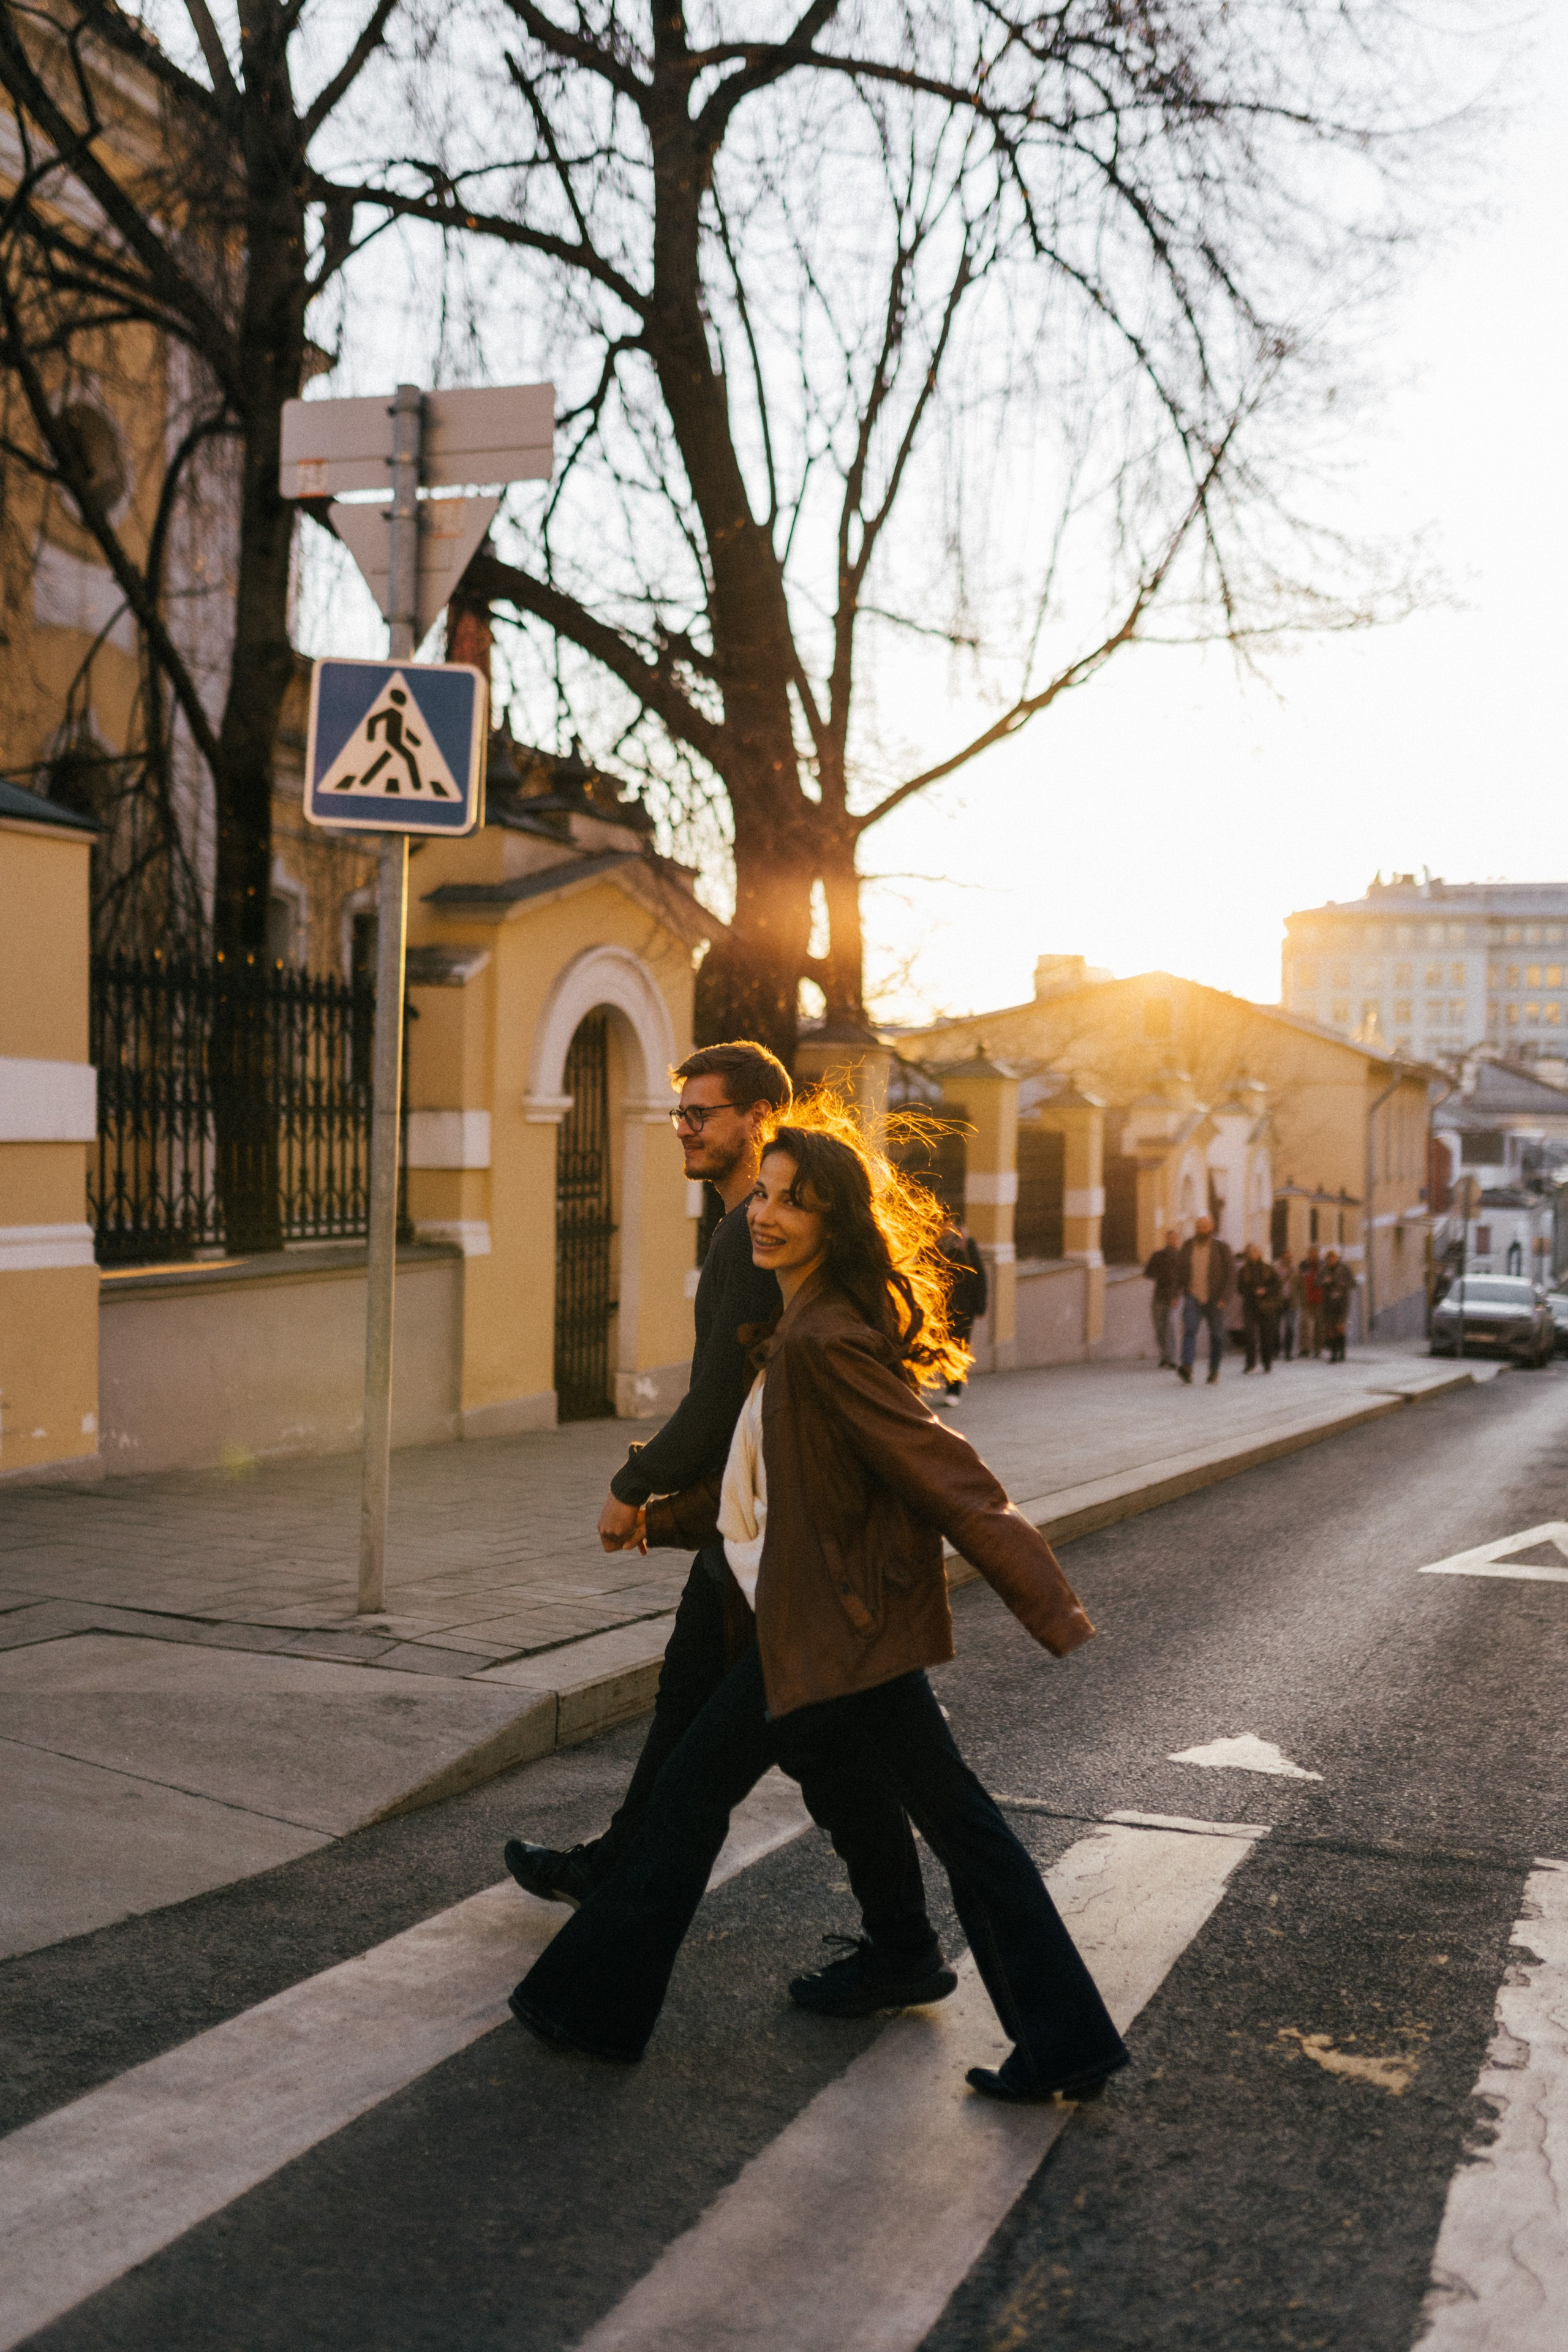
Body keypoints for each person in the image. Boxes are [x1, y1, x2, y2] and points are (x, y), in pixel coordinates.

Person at [509, 1112, 1129, 2106]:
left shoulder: (826, 1342)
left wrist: (1049, 1603)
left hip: (829, 1632)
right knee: (958, 1826)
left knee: (688, 1799)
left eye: (799, 1199)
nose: (770, 1213)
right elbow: (768, 1494)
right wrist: (658, 1522)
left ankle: (590, 2009)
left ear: (838, 1225)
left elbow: (949, 1476)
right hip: (831, 1627)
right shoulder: (794, 1334)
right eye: (768, 1191)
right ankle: (1059, 2034)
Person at [503, 1042, 951, 2017]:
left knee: (806, 1755)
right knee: (698, 1716)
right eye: (679, 1114)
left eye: (700, 1114)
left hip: (781, 1551)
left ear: (756, 1118)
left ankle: (898, 1945)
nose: (684, 1130)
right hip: (749, 1535)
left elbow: (719, 1402)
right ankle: (622, 1869)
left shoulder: (759, 1241)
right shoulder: (754, 1233)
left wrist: (637, 1482)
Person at [1175, 1215, 1235, 1385]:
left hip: (1215, 1298)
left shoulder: (1221, 1247)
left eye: (1204, 1226)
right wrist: (1177, 1292)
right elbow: (1180, 1270)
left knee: (1216, 1335)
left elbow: (1231, 1274)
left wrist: (1225, 1297)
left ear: (1211, 1227)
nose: (1201, 1229)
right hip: (1193, 1295)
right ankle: (1187, 1367)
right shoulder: (1188, 1246)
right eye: (1199, 1226)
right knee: (1190, 1330)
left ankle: (1214, 1370)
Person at [936, 1219, 987, 1403]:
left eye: (949, 1222)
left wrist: (980, 1306)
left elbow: (980, 1275)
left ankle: (954, 1390)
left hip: (965, 1308)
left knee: (959, 1347)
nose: (946, 1226)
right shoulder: (937, 1245)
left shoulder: (967, 1245)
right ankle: (949, 1382)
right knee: (942, 1348)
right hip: (942, 1309)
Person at [1237, 1243, 1283, 1373]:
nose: (1253, 1254)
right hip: (1250, 1307)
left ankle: (1267, 1363)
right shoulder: (1243, 1271)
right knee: (1250, 1337)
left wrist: (1266, 1290)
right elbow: (1240, 1288)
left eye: (1255, 1251)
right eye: (1250, 1252)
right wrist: (1252, 1292)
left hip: (1266, 1307)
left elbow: (1277, 1285)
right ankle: (1250, 1364)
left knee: (1267, 1336)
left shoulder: (1268, 1269)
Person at [1143, 1227, 1182, 1368]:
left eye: (1176, 1237)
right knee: (1160, 1327)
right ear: (1167, 1238)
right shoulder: (1158, 1255)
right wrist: (1162, 1274)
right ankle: (1165, 1356)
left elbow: (1184, 1278)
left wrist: (1177, 1294)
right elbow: (1148, 1273)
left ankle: (1172, 1358)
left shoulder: (1182, 1256)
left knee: (1171, 1325)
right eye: (1171, 1237)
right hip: (1160, 1295)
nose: (1173, 1240)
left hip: (1175, 1297)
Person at [1320, 1249, 1355, 1363]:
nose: (1331, 1261)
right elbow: (1317, 1282)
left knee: (1340, 1326)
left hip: (1342, 1301)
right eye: (1328, 1259)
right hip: (1328, 1302)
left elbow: (1352, 1283)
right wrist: (1325, 1282)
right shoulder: (1324, 1269)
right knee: (1330, 1327)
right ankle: (1334, 1354)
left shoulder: (1344, 1268)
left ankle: (1342, 1352)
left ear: (1337, 1258)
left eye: (1333, 1258)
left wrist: (1338, 1282)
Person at [1295, 1246, 1325, 1359]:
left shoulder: (1323, 1265)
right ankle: (1304, 1349)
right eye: (1311, 1253)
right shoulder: (1303, 1265)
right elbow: (1299, 1280)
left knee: (1319, 1325)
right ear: (1308, 1254)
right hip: (1306, 1300)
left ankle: (1318, 1349)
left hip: (1320, 1300)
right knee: (1304, 1324)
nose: (1314, 1255)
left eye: (1316, 1253)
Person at [1274, 1248, 1297, 1360]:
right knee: (1276, 1327)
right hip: (1278, 1301)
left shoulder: (1294, 1269)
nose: (1288, 1259)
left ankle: (1288, 1352)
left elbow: (1299, 1286)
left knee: (1290, 1327)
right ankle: (1276, 1351)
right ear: (1281, 1257)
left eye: (1290, 1257)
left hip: (1291, 1301)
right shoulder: (1275, 1268)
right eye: (1286, 1257)